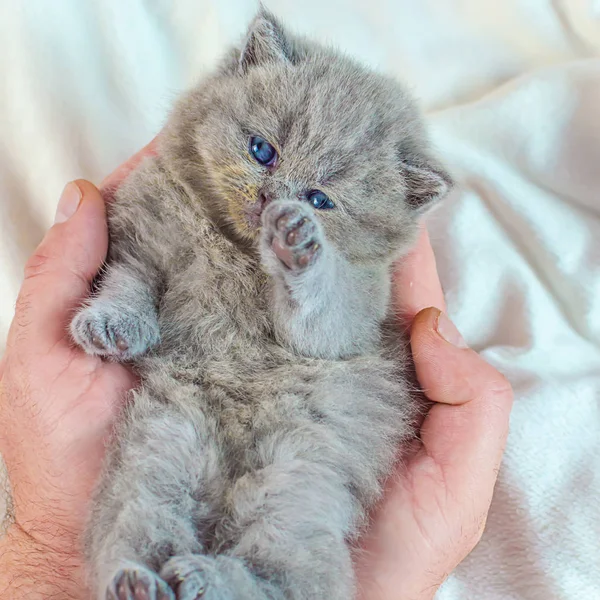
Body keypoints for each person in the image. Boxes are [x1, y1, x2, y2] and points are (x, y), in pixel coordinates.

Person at [0, 141, 513, 600]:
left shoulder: (367, 272)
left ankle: (251, 586)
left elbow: (333, 332)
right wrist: (124, 311)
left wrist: (310, 271)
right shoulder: (172, 189)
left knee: (291, 500)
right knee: (149, 478)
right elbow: (137, 261)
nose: (273, 194)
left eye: (319, 200)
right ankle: (140, 577)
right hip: (182, 392)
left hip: (311, 405)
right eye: (262, 151)